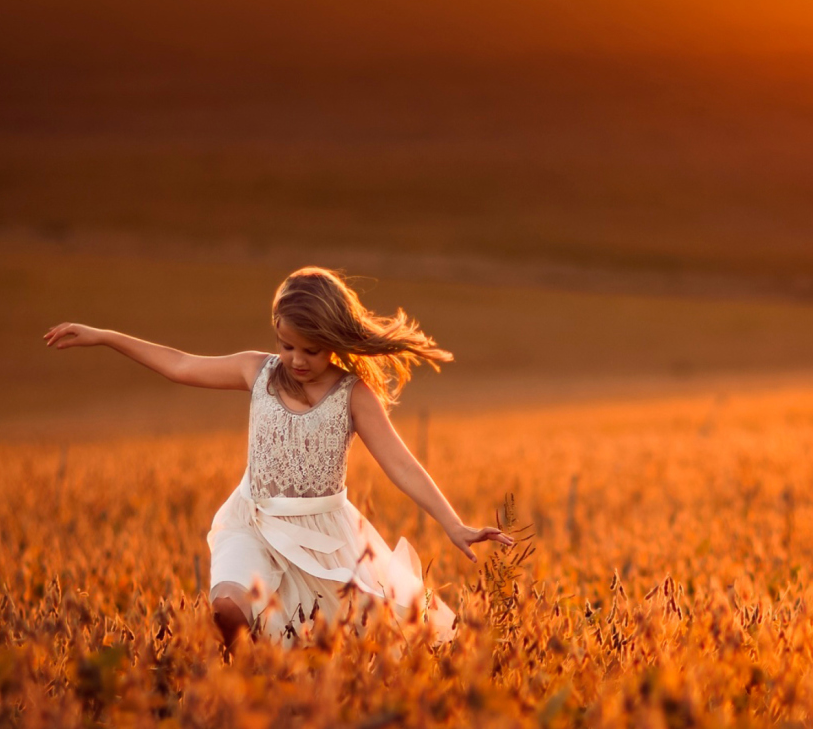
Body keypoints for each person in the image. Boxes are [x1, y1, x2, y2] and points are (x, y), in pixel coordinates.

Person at [42, 267, 510, 649]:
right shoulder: (256, 371)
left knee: (352, 645)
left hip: (322, 537)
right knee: (227, 610)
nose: (297, 360)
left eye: (312, 350)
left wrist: (454, 525)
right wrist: (104, 335)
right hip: (254, 521)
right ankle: (232, 680)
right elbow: (179, 364)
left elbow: (402, 464)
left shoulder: (353, 395)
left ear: (336, 341)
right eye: (287, 346)